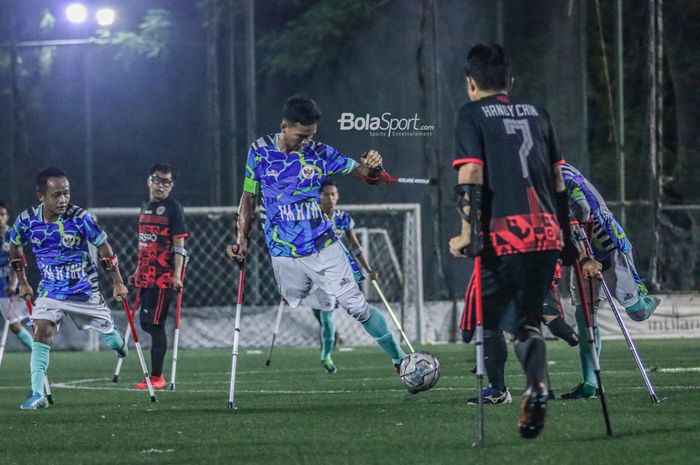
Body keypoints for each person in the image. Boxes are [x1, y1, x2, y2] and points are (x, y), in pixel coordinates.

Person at [449, 43, 578, 438]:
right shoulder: (539, 114)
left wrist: (469, 234)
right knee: (526, 321)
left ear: (471, 82)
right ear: (510, 80)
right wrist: (567, 238)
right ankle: (536, 385)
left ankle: (499, 386)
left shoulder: (471, 114)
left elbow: (470, 172)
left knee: (486, 318)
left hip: (503, 234)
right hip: (546, 233)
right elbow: (559, 181)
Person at [227, 94, 407, 377]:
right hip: (282, 250)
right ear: (283, 126)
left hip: (322, 244)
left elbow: (365, 175)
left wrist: (373, 166)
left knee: (356, 306)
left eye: (310, 135)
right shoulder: (259, 151)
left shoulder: (319, 152)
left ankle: (402, 361)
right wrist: (241, 239)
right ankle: (320, 299)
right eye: (301, 136)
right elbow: (249, 196)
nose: (305, 142)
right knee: (294, 296)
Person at [9, 167, 129, 410]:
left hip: (84, 290)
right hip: (50, 290)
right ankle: (36, 393)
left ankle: (118, 343)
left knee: (112, 340)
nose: (63, 199)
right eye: (57, 194)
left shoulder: (80, 218)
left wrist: (117, 281)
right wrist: (23, 282)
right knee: (40, 332)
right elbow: (15, 246)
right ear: (40, 196)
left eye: (66, 193)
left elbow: (104, 248)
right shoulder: (26, 221)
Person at [560, 161, 660, 399]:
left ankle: (647, 302)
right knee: (585, 314)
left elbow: (582, 210)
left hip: (609, 248)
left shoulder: (563, 174)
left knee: (635, 311)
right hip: (582, 249)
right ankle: (591, 383)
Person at [307, 179, 379, 373]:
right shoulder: (310, 218)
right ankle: (327, 347)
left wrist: (368, 269)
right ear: (319, 197)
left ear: (337, 197)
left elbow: (355, 247)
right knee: (321, 312)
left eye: (333, 194)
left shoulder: (343, 219)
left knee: (328, 316)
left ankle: (326, 355)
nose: (330, 198)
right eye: (327, 194)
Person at [128, 163, 187, 390]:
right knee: (147, 323)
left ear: (171, 186)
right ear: (148, 180)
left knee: (154, 324)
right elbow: (144, 244)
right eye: (157, 180)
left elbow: (179, 246)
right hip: (145, 275)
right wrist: (136, 270)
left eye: (166, 182)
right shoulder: (145, 207)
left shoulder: (173, 209)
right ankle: (155, 375)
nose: (161, 185)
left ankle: (157, 376)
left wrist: (177, 275)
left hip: (163, 277)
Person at [0, 202, 33, 352]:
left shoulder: (11, 234)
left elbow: (17, 260)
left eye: (2, 215)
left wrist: (13, 284)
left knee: (16, 324)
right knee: (14, 325)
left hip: (12, 286)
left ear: (6, 217)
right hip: (2, 286)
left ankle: (37, 351)